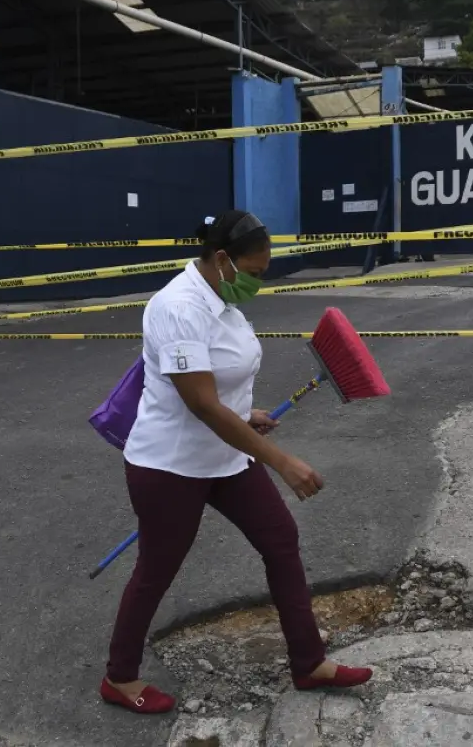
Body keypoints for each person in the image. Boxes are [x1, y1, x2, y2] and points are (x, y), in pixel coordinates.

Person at [100, 209, 373, 714]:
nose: (258, 281)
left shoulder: (222, 300)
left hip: (227, 455)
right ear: (223, 259)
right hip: (170, 465)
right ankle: (119, 677)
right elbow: (199, 402)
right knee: (158, 568)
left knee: (280, 540)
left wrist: (246, 413)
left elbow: (214, 384)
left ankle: (309, 663)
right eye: (255, 271)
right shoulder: (177, 307)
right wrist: (281, 460)